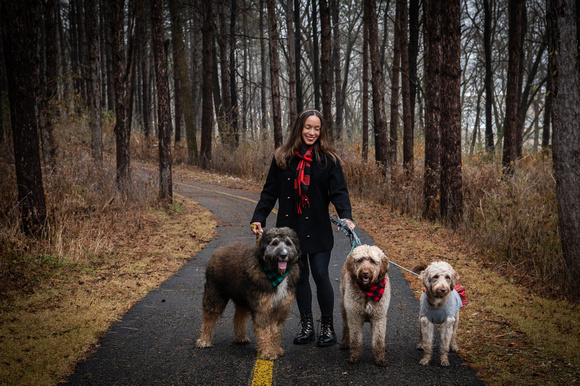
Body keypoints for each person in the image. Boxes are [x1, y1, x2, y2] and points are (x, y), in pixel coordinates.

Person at [250, 109, 354, 347]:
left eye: (317, 129)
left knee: (320, 273)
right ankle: (306, 325)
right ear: (299, 128)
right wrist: (259, 217)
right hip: (290, 230)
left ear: (322, 131)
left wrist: (346, 217)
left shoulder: (329, 160)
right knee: (300, 277)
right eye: (308, 127)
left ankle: (327, 327)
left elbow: (339, 193)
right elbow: (269, 191)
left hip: (317, 227)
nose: (312, 132)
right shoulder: (283, 157)